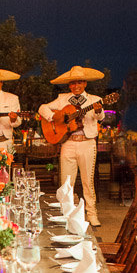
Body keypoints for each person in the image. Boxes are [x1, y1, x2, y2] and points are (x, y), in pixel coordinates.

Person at [39, 65, 105, 227]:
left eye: (80, 83)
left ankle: (91, 213)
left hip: (87, 143)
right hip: (68, 143)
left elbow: (101, 116)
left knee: (87, 181)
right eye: (73, 83)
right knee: (66, 182)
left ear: (85, 84)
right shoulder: (62, 99)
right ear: (69, 85)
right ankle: (66, 213)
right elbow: (42, 108)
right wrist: (55, 117)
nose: (76, 86)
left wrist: (98, 110)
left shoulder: (94, 99)